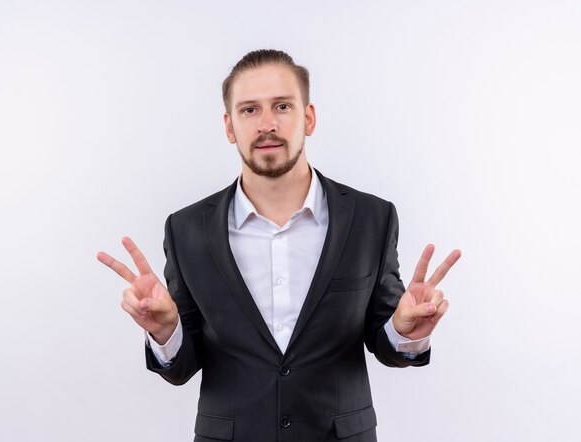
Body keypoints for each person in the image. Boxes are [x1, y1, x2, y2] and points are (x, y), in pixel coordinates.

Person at [97, 49, 461, 442]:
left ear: (308, 117)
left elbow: (384, 340)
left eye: (282, 106)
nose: (266, 124)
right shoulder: (186, 229)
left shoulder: (372, 218)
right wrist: (167, 332)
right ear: (229, 126)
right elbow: (183, 367)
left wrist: (405, 332)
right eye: (249, 110)